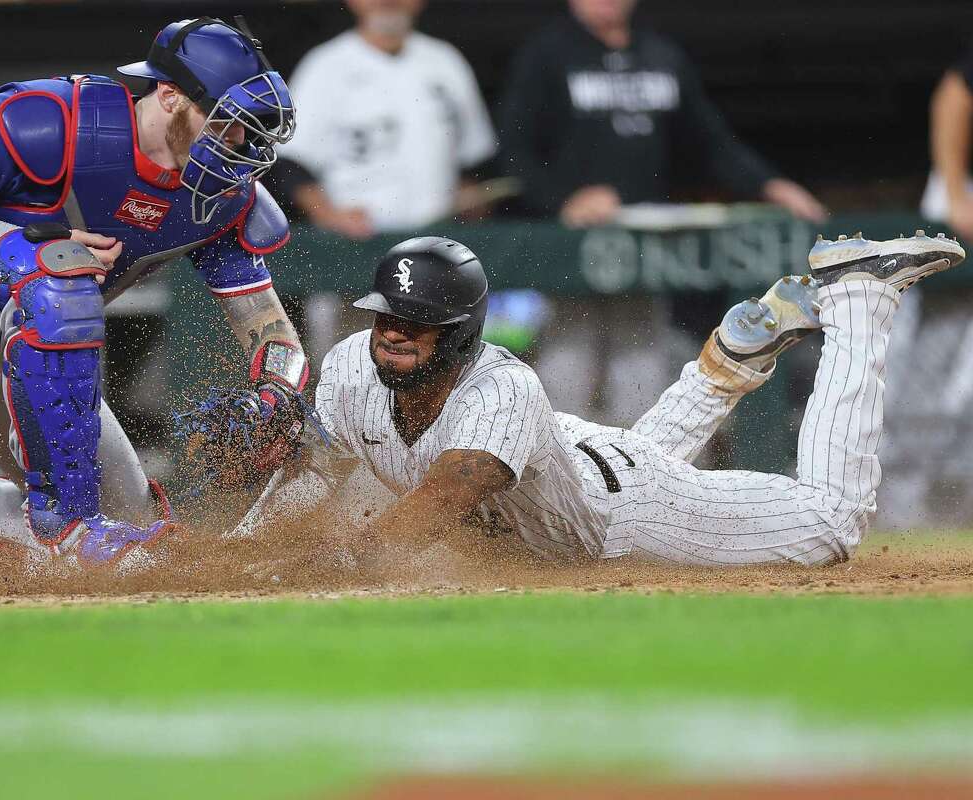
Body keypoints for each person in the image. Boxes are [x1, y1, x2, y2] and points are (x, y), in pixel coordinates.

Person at [0, 18, 311, 568]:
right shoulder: (53, 118)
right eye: (224, 124)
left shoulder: (222, 195)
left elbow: (271, 330)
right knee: (59, 268)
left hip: (26, 347)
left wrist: (274, 393)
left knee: (138, 536)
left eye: (246, 128)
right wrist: (29, 241)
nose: (239, 143)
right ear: (170, 96)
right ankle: (72, 526)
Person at [233, 231, 964, 567]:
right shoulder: (353, 365)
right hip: (569, 466)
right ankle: (731, 358)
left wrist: (310, 565)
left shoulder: (502, 390)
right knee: (571, 497)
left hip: (627, 511)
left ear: (458, 334)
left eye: (418, 325)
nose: (392, 334)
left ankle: (860, 294)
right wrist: (240, 551)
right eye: (385, 315)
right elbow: (314, 476)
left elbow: (429, 513)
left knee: (831, 526)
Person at [498, 0, 827, 426]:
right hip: (574, 250)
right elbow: (514, 150)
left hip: (644, 246)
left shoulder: (660, 54)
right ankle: (545, 479)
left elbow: (709, 140)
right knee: (568, 361)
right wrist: (564, 199)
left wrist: (771, 184)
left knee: (643, 364)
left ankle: (634, 481)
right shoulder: (546, 54)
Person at [278, 0, 497, 239]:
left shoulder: (446, 61)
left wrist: (471, 193)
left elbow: (476, 158)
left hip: (439, 236)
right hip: (357, 239)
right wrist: (329, 215)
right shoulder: (325, 65)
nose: (387, 2)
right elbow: (291, 164)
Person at [876, 41, 973, 528]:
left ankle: (946, 511)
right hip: (964, 201)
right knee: (928, 389)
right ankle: (900, 512)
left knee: (963, 396)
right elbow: (956, 91)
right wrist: (957, 193)